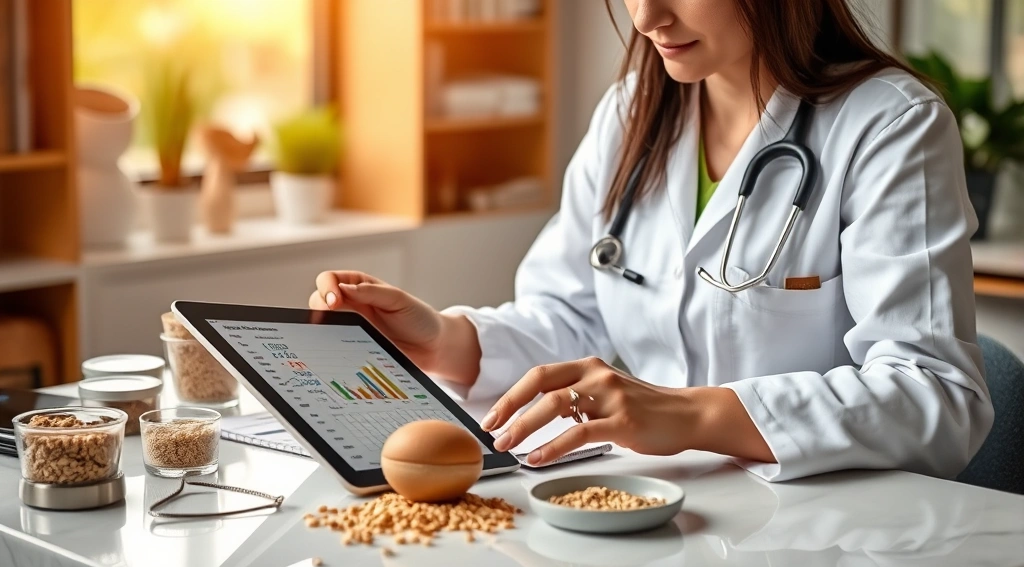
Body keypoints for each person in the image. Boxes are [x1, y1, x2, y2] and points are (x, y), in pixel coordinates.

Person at [310, 0, 993, 482]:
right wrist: (443, 337)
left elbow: (934, 396)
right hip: (658, 513)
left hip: (825, 535)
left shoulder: (890, 126)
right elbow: (573, 314)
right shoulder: (633, 111)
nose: (646, 17)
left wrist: (690, 415)